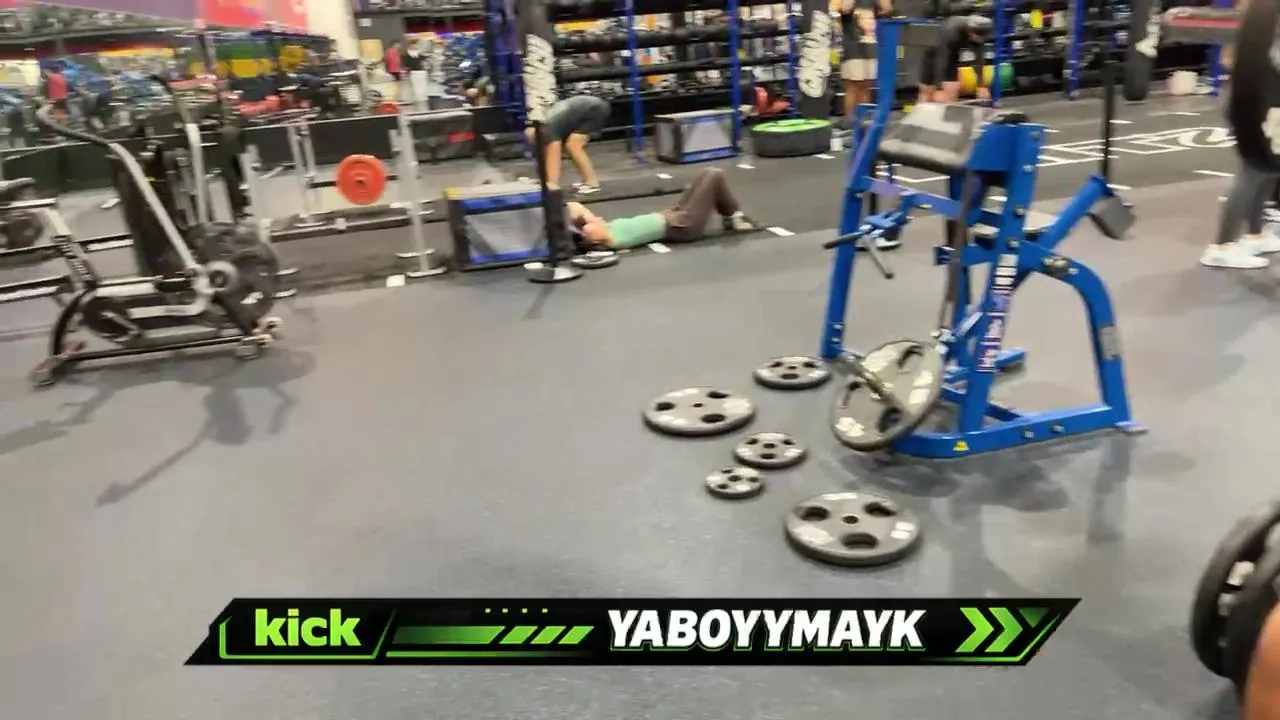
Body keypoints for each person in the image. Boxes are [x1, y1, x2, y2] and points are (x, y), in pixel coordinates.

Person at [565, 167, 759, 250]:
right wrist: (577, 225)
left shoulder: (603, 229)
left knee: (706, 173)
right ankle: (734, 216)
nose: (598, 218)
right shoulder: (605, 237)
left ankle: (732, 215)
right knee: (714, 175)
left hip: (673, 215)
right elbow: (583, 223)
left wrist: (576, 217)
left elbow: (575, 206)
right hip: (683, 225)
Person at [527, 95, 610, 195]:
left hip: (595, 109)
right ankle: (586, 180)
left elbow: (554, 157)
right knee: (568, 146)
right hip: (583, 107)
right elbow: (543, 157)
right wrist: (543, 180)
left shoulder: (548, 129)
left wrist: (551, 183)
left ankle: (592, 183)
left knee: (573, 145)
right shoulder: (542, 126)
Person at [918, 15, 993, 104]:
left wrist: (981, 86)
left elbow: (978, 60)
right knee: (928, 94)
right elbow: (941, 59)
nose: (979, 40)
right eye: (976, 37)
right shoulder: (951, 31)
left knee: (951, 94)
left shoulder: (981, 31)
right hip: (934, 55)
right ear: (970, 30)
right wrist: (939, 88)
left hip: (951, 57)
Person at [838, 0, 891, 119]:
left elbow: (887, 9)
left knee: (866, 86)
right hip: (853, 49)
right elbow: (845, 9)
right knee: (853, 86)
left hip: (870, 48)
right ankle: (850, 119)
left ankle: (862, 118)